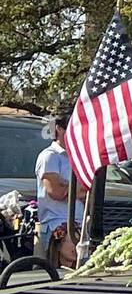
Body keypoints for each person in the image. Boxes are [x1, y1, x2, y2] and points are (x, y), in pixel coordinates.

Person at [35, 112, 86, 268]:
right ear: (59, 129)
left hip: (79, 223)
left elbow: (88, 191)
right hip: (57, 224)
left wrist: (70, 188)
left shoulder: (78, 158)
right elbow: (55, 191)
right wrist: (78, 189)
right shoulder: (49, 157)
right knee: (64, 266)